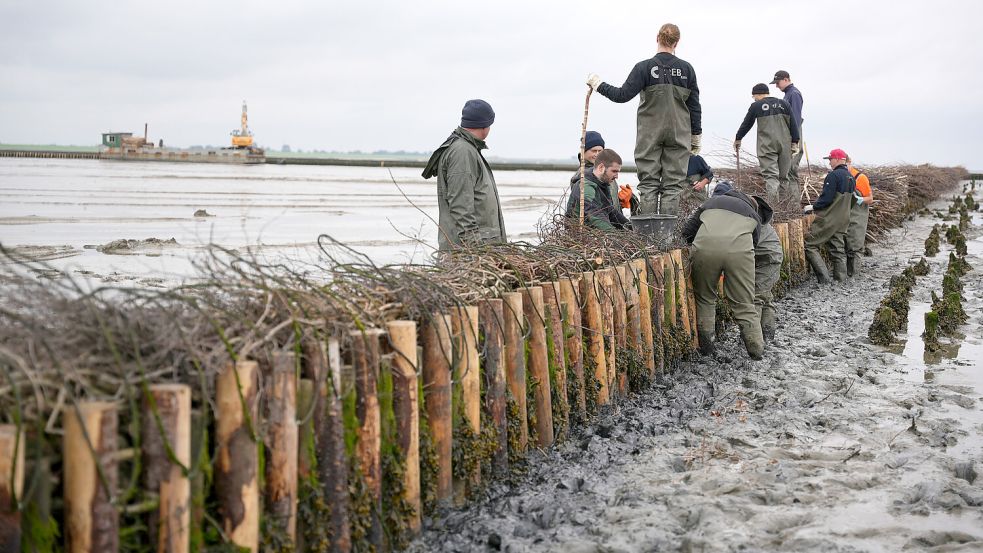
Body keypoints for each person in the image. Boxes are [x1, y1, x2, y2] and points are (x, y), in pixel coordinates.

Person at [586, 23, 701, 217]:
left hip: (650, 133)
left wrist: (598, 84)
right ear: (677, 42)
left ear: (657, 38)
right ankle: (667, 237)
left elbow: (621, 95)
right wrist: (696, 136)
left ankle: (649, 238)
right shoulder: (687, 69)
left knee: (648, 183)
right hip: (679, 133)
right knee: (673, 185)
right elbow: (694, 106)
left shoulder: (644, 68)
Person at [681, 180, 764, 360]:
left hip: (705, 250)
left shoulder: (709, 203)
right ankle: (757, 353)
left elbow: (687, 232)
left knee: (705, 298)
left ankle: (707, 349)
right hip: (739, 254)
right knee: (744, 304)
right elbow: (754, 243)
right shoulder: (753, 214)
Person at [422, 99, 506, 251]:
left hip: (476, 251)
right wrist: (476, 252)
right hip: (466, 255)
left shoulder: (468, 149)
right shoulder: (462, 152)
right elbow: (461, 208)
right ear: (485, 124)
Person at [711, 179, 782, 342]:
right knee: (766, 296)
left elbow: (738, 246)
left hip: (767, 259)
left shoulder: (741, 214)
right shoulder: (744, 208)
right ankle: (767, 337)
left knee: (755, 297)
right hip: (765, 256)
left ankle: (752, 341)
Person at [734, 83, 800, 206]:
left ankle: (774, 209)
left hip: (767, 146)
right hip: (785, 145)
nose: (754, 99)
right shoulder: (784, 104)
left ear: (758, 94)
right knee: (783, 178)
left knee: (771, 177)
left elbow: (747, 124)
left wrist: (738, 138)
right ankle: (785, 208)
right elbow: (793, 123)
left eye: (754, 96)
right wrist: (795, 141)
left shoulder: (756, 106)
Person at [803, 148, 856, 282]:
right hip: (844, 219)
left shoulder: (833, 175)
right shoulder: (851, 177)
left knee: (809, 244)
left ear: (838, 159)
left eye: (830, 159)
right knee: (837, 249)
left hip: (830, 218)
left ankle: (824, 279)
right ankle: (841, 280)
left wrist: (813, 207)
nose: (829, 163)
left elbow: (827, 198)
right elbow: (853, 200)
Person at [565, 149, 631, 231]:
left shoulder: (603, 183)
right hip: (582, 235)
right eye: (614, 171)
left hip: (595, 234)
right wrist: (614, 235)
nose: (617, 176)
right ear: (601, 167)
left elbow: (611, 212)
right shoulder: (586, 186)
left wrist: (631, 228)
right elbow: (594, 215)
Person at [771, 70, 804, 197]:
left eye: (778, 82)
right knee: (786, 171)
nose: (776, 86)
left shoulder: (794, 94)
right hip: (788, 136)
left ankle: (794, 206)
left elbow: (795, 119)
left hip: (793, 137)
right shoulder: (787, 95)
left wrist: (794, 141)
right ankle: (789, 205)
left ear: (786, 79)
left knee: (791, 172)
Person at [845, 155, 873, 276]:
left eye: (845, 164)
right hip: (845, 218)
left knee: (855, 247)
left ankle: (854, 277)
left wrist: (860, 199)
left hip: (858, 217)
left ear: (849, 162)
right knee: (846, 247)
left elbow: (870, 198)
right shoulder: (842, 176)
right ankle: (848, 276)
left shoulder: (860, 178)